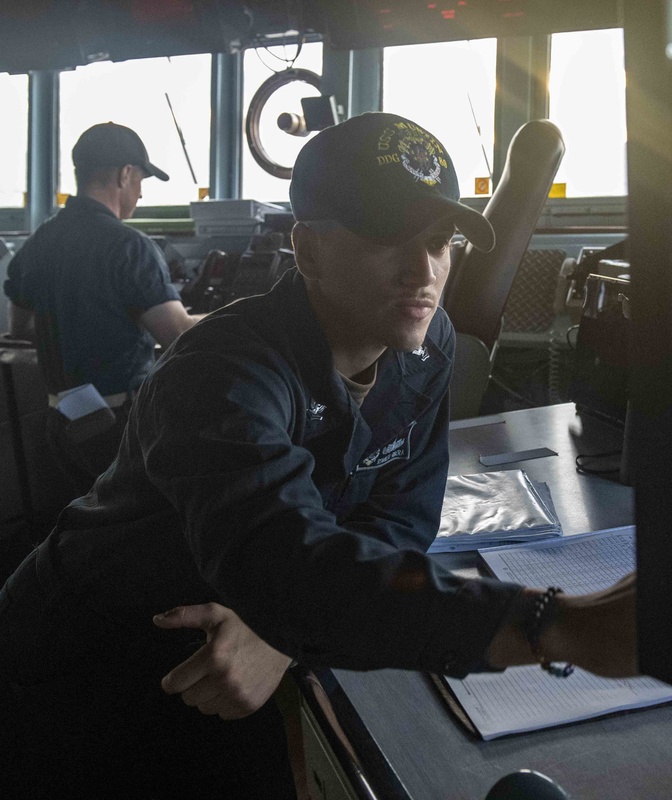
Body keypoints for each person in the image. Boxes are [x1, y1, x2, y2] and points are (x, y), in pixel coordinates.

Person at [0, 112, 637, 799]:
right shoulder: (223, 372)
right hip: (85, 656)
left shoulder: (426, 350)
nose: (424, 272)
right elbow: (285, 558)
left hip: (236, 654)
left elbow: (399, 521)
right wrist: (553, 626)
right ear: (307, 251)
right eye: (386, 239)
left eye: (440, 241)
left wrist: (281, 632)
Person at [3, 122, 203, 501]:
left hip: (61, 420)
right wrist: (229, 315)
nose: (141, 194)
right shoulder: (130, 246)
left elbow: (21, 328)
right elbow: (177, 335)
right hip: (117, 427)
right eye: (141, 180)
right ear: (124, 174)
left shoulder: (41, 240)